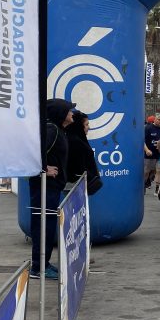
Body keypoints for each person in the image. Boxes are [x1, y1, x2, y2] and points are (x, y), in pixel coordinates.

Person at [29, 99, 75, 279]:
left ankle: (43, 263)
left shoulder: (58, 129)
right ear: (60, 113)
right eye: (69, 110)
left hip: (52, 187)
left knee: (47, 226)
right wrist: (42, 168)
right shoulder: (51, 129)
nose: (72, 113)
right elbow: (31, 152)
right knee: (42, 226)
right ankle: (38, 268)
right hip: (44, 188)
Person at [65, 110, 102, 196]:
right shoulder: (75, 142)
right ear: (78, 126)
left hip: (79, 185)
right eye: (86, 124)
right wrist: (93, 178)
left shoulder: (76, 139)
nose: (88, 127)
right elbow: (78, 168)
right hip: (75, 186)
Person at [143, 112, 160, 191]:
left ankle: (157, 189)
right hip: (149, 154)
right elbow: (142, 141)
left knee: (159, 170)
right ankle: (142, 186)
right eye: (159, 120)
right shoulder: (148, 128)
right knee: (147, 171)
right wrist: (147, 150)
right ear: (155, 119)